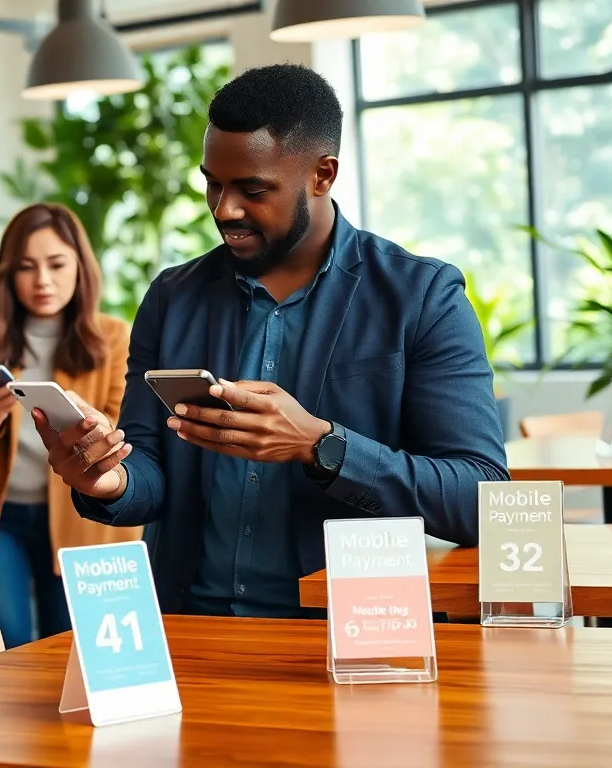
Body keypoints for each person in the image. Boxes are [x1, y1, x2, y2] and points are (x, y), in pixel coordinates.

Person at [32, 64, 509, 619]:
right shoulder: (172, 297)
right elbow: (151, 476)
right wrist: (109, 478)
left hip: (349, 633)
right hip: (188, 629)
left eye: (252, 189)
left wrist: (321, 445)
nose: (223, 209)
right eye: (213, 182)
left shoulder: (421, 297)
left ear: (322, 175)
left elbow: (481, 500)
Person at [0, 203, 139, 648]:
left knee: (68, 650)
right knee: (2, 646)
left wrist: (89, 423)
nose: (42, 281)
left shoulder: (111, 336)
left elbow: (121, 440)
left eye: (56, 264)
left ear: (80, 268)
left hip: (79, 519)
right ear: (8, 274)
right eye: (26, 267)